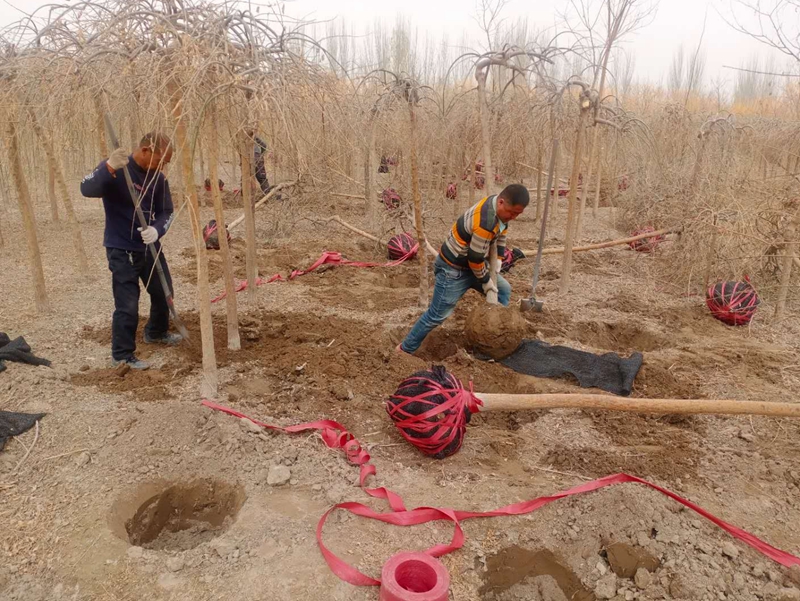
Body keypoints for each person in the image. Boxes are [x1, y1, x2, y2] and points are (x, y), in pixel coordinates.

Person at [80, 133, 180, 370]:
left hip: (149, 246)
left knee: (163, 292)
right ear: (146, 150)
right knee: (128, 304)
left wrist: (156, 230)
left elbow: (166, 211)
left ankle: (156, 332)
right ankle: (122, 355)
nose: (163, 166)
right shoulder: (117, 169)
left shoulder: (158, 179)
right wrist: (108, 167)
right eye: (161, 160)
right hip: (121, 248)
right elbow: (87, 188)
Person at [397, 184, 530, 355]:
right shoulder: (485, 222)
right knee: (436, 315)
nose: (514, 217)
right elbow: (475, 259)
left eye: (518, 214)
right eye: (512, 213)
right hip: (453, 269)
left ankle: (495, 339)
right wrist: (486, 281)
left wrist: (499, 257)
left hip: (473, 263)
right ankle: (404, 350)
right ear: (502, 202)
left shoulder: (499, 209)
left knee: (503, 290)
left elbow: (502, 231)